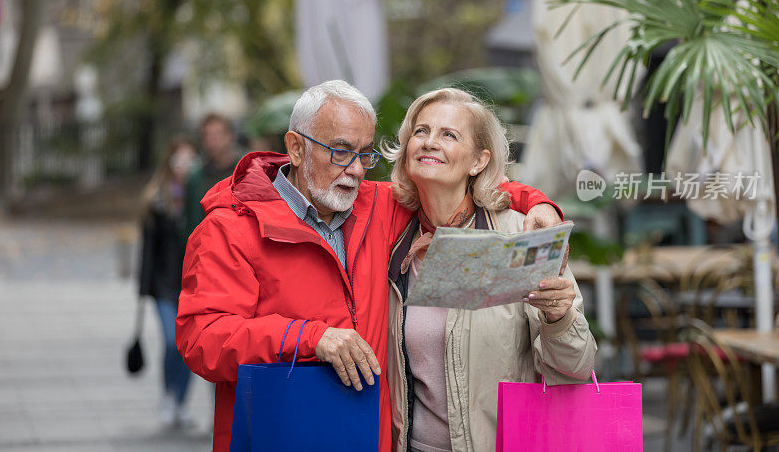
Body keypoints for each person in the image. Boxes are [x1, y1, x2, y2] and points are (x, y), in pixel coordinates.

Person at [176, 80, 563, 452]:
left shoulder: (376, 205)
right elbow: (201, 338)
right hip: (279, 432)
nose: (358, 170)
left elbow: (453, 181)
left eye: (365, 154)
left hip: (370, 438)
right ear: (295, 148)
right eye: (341, 151)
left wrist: (536, 201)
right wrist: (309, 337)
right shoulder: (230, 229)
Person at [382, 88, 597, 452]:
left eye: (449, 135)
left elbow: (575, 369)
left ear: (479, 161)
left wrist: (559, 317)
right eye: (421, 131)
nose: (430, 143)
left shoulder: (521, 234)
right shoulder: (388, 236)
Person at [138, 136, 199, 426]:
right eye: (179, 160)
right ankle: (168, 395)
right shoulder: (157, 200)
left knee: (187, 347)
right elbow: (148, 248)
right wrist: (143, 289)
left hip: (192, 285)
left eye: (190, 160)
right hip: (163, 285)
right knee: (171, 342)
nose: (184, 167)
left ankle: (181, 402)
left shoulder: (200, 197)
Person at [184, 113, 240, 234]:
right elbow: (190, 223)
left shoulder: (244, 171)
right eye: (207, 136)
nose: (212, 141)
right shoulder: (196, 179)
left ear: (231, 136)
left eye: (217, 135)